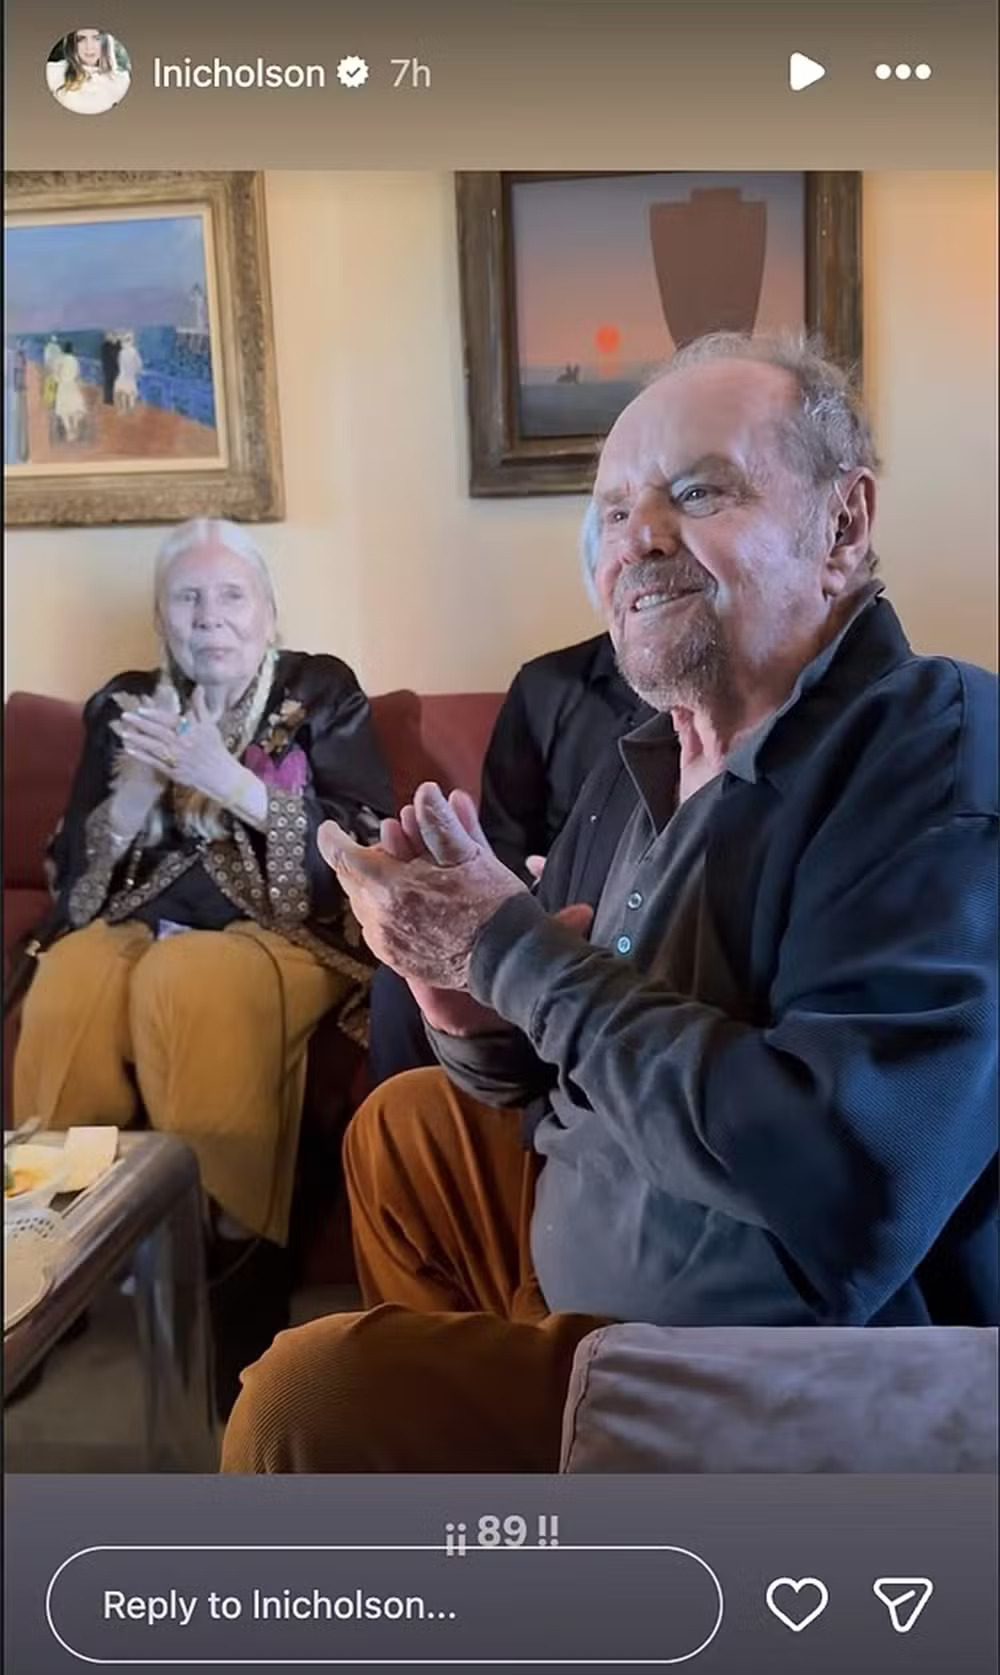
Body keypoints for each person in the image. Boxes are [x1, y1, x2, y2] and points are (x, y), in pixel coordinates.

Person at [221, 331, 998, 1475]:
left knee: (306, 1398)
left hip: (794, 1365)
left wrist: (508, 948)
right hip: (603, 1252)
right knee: (407, 1130)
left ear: (842, 525)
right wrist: (462, 999)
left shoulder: (930, 751)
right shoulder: (640, 759)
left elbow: (853, 1184)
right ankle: (521, 1490)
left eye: (698, 491)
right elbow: (552, 1062)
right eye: (615, 509)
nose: (638, 537)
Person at [13, 517, 395, 1412]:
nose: (209, 615)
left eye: (231, 596)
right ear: (161, 617)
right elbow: (74, 886)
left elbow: (361, 850)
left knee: (188, 983)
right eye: (187, 597)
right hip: (134, 925)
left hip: (285, 933)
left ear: (268, 612)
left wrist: (232, 783)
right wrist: (131, 801)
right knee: (68, 979)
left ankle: (231, 1268)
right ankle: (44, 1270)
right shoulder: (123, 705)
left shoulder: (320, 689)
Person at [368, 623, 649, 1086]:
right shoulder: (546, 684)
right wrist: (527, 896)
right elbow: (505, 837)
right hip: (542, 899)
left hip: (648, 913)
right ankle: (434, 1108)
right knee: (401, 979)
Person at [46, 28, 130, 115]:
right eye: (80, 39)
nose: (89, 47)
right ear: (72, 44)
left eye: (97, 38)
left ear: (106, 43)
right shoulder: (54, 72)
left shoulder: (121, 81)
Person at [53, 340, 86, 443]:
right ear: (72, 350)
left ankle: (69, 431)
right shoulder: (74, 360)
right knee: (75, 408)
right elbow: (78, 375)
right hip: (72, 385)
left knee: (64, 410)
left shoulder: (60, 360)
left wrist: (59, 380)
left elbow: (55, 375)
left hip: (63, 386)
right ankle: (74, 427)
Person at [114, 331, 143, 412]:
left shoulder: (122, 353)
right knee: (130, 393)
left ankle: (124, 408)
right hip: (130, 375)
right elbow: (139, 364)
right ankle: (130, 408)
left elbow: (120, 365)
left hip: (124, 374)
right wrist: (137, 371)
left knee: (124, 392)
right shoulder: (134, 352)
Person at [100, 333, 121, 406]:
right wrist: (118, 344)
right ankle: (110, 400)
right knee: (111, 384)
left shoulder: (104, 347)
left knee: (108, 384)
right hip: (112, 368)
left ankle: (107, 399)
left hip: (106, 368)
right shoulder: (111, 347)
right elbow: (115, 355)